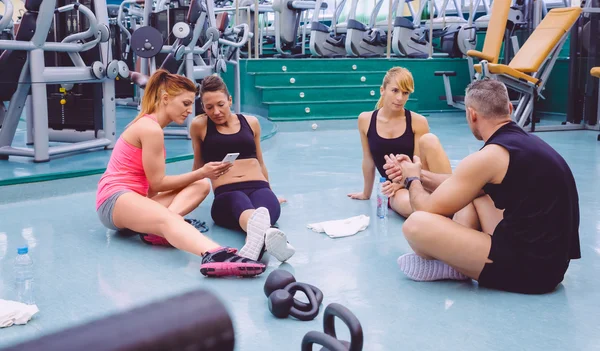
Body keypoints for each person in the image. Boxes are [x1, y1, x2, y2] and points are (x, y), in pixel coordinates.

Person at [384, 79, 581, 294]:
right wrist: (416, 172)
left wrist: (412, 181)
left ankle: (459, 264)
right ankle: (463, 259)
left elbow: (425, 208)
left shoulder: (490, 156)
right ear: (510, 108)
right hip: (552, 266)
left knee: (416, 224)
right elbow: (460, 184)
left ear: (472, 114)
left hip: (530, 273)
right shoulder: (525, 144)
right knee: (475, 194)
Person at [96, 69, 266, 278]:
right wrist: (202, 171)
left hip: (138, 199)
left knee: (201, 185)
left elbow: (156, 185)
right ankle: (214, 254)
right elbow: (158, 184)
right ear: (166, 99)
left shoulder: (153, 127)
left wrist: (202, 175)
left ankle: (158, 234)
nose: (189, 111)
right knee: (169, 219)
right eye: (185, 104)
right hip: (114, 200)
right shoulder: (150, 129)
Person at [190, 75, 295, 263]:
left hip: (258, 186)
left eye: (221, 104)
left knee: (266, 205)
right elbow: (198, 167)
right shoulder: (199, 125)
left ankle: (255, 241)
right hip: (226, 193)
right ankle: (268, 237)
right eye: (209, 107)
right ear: (203, 108)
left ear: (230, 100)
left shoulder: (251, 122)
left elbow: (260, 162)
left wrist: (271, 191)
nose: (216, 111)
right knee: (239, 201)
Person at [347, 67, 453, 217]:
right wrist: (366, 193)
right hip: (395, 188)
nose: (400, 98)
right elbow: (368, 160)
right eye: (395, 90)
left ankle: (451, 193)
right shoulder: (365, 120)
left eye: (405, 93)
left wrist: (407, 181)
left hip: (422, 180)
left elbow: (418, 163)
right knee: (420, 210)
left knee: (430, 140)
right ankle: (447, 205)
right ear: (382, 90)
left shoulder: (418, 121)